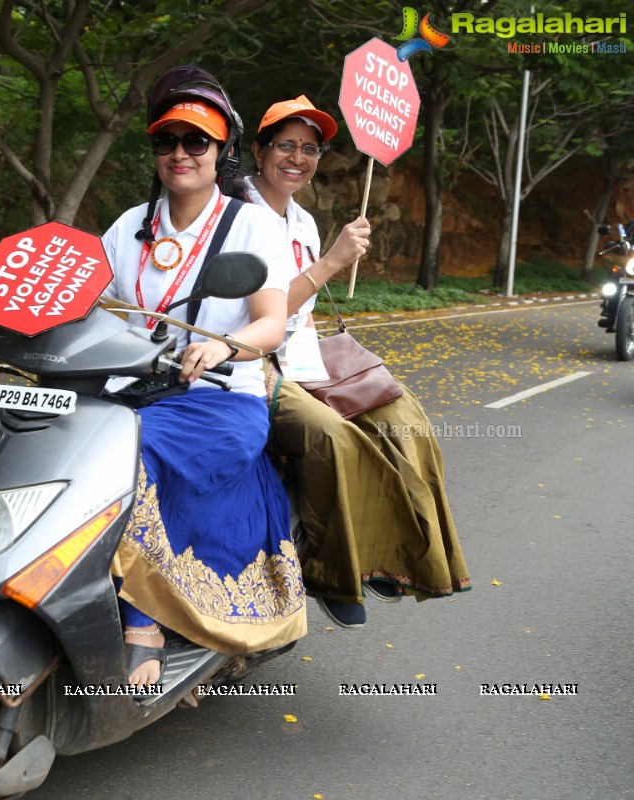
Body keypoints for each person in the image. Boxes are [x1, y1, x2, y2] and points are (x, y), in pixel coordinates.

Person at [101, 67, 306, 685]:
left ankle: (143, 620)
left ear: (223, 152)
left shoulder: (252, 226)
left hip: (221, 400)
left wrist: (224, 348)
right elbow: (79, 303)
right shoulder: (127, 227)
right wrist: (3, 321)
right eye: (167, 141)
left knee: (128, 456)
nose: (181, 153)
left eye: (198, 142)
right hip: (132, 393)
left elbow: (271, 321)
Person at [242, 95, 470, 628]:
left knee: (404, 419)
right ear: (258, 151)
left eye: (310, 149)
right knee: (334, 437)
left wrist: (335, 366)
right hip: (256, 359)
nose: (297, 158)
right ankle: (332, 572)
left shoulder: (301, 220)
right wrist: (332, 262)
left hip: (304, 354)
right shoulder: (236, 215)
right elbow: (267, 312)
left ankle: (398, 554)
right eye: (285, 145)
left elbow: (306, 314)